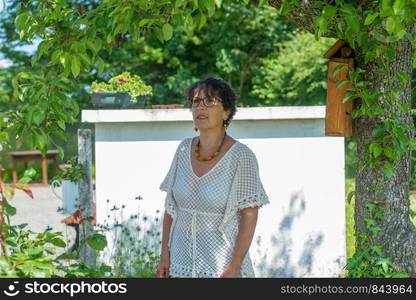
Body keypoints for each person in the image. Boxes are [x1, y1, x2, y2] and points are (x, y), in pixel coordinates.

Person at [157, 76, 269, 278]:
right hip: (178, 263)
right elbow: (170, 209)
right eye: (196, 101)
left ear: (226, 111)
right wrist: (164, 254)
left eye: (209, 101)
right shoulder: (183, 149)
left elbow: (249, 215)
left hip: (221, 267)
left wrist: (235, 266)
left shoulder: (241, 156)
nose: (200, 107)